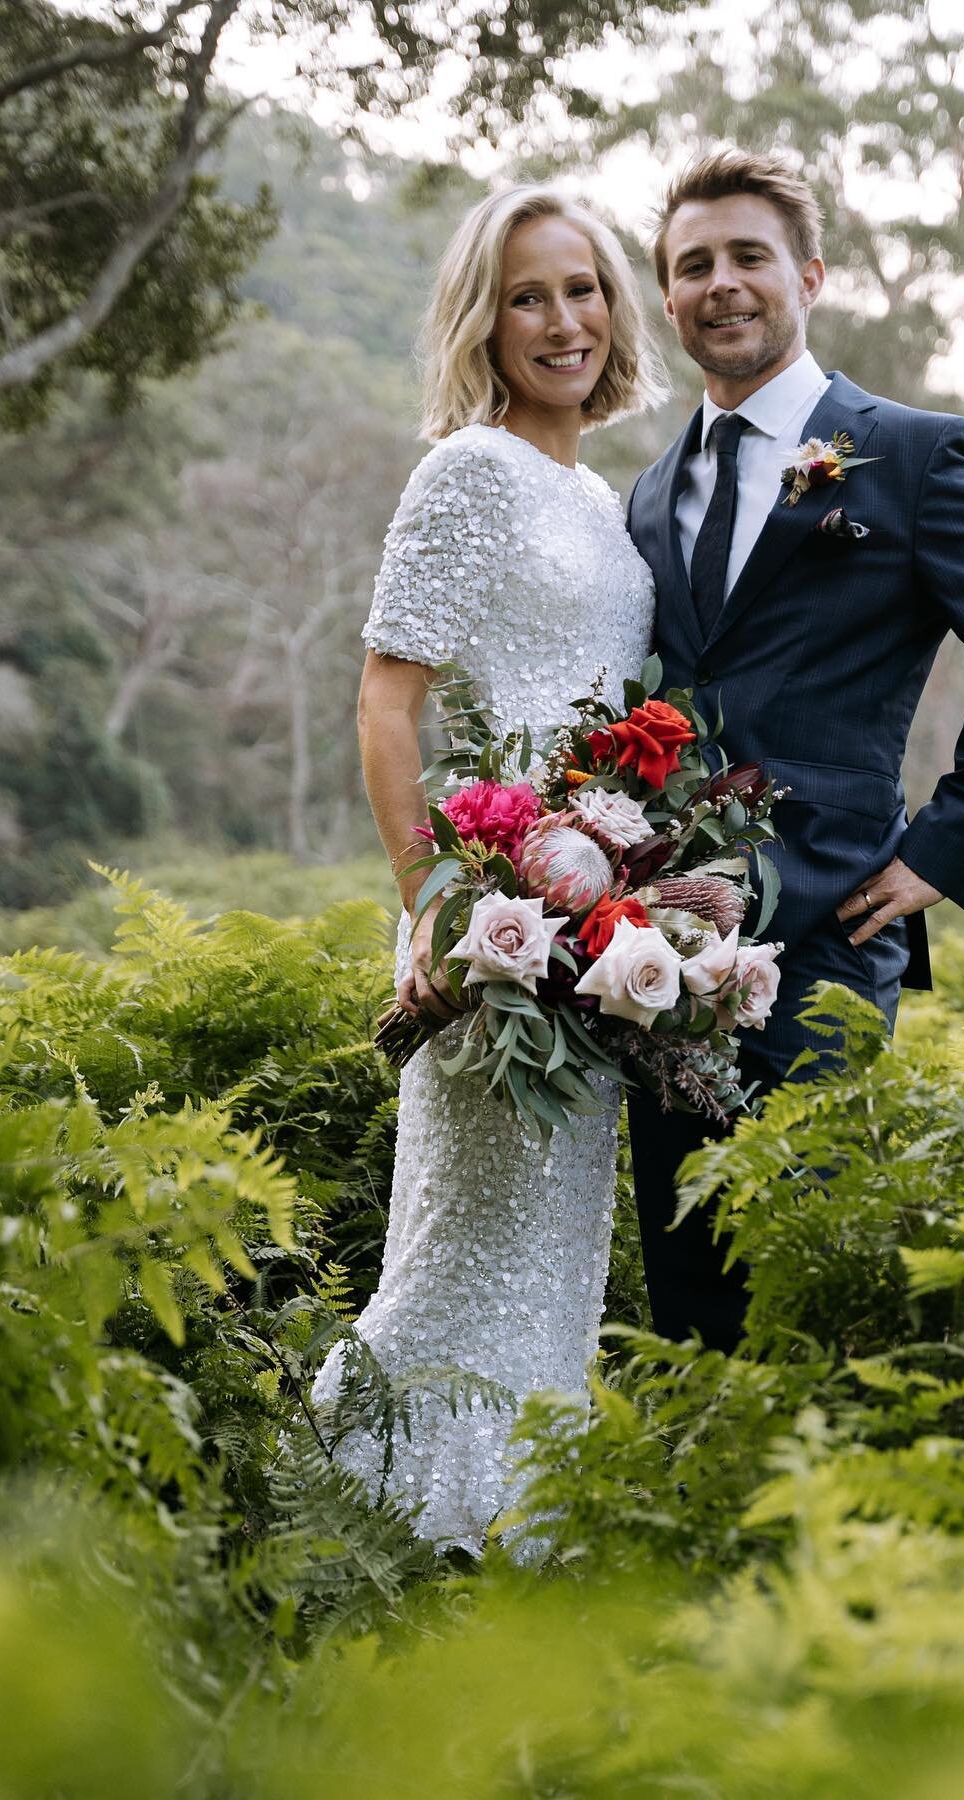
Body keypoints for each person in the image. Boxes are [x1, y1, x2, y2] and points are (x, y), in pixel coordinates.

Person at [624, 146, 964, 1351]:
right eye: (692, 266)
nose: (721, 284)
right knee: (690, 1297)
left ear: (809, 275)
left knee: (809, 1276)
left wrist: (946, 846)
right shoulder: (645, 491)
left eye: (747, 258)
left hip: (834, 924)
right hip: (660, 948)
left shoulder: (914, 455)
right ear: (667, 299)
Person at [310, 186, 665, 1556]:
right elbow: (385, 705)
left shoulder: (597, 496)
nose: (562, 320)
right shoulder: (465, 470)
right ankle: (360, 1532)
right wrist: (439, 910)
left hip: (595, 932)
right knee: (459, 1257)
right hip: (493, 933)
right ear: (486, 318)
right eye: (528, 296)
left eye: (582, 289)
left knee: (546, 1270)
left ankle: (511, 1540)